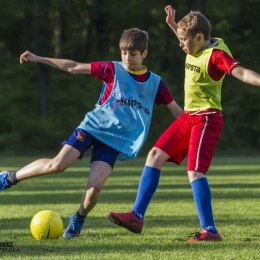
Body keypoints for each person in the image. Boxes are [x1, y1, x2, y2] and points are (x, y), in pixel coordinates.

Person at [0, 28, 183, 239]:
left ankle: (77, 220)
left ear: (144, 54)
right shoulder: (112, 69)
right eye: (124, 52)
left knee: (95, 187)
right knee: (57, 165)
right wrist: (39, 58)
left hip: (115, 142)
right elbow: (74, 67)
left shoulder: (156, 83)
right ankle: (9, 178)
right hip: (92, 128)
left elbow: (178, 112)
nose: (127, 58)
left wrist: (198, 127)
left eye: (133, 53)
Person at [106, 7, 260, 242]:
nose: (180, 44)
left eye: (183, 39)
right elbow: (187, 34)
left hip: (207, 118)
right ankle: (136, 216)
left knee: (195, 171)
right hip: (189, 117)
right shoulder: (197, 41)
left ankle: (210, 230)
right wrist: (172, 23)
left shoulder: (217, 55)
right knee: (155, 155)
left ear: (198, 37)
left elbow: (242, 73)